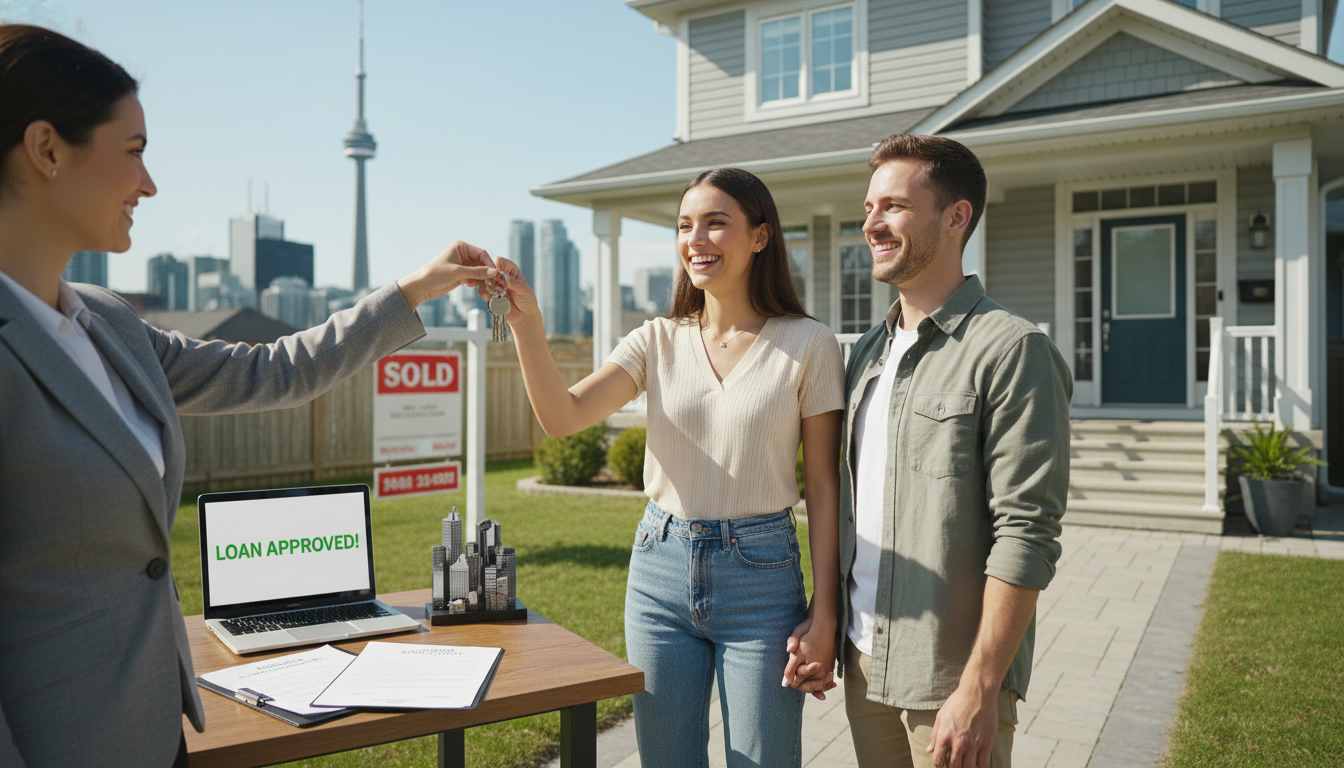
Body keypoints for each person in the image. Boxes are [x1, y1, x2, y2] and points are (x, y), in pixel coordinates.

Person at [0, 25, 499, 768]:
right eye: (134, 151)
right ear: (46, 150)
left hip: (154, 732)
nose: (150, 184)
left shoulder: (107, 323)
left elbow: (273, 369)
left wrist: (414, 290)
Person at [482, 167, 844, 767]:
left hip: (762, 580)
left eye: (715, 223)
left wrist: (825, 611)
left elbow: (826, 486)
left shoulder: (809, 344)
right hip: (659, 571)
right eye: (684, 225)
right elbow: (562, 416)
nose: (695, 238)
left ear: (760, 237)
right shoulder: (656, 340)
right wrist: (526, 323)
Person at [788, 134, 1071, 768]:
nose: (871, 224)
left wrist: (980, 687)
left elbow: (1027, 533)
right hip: (864, 665)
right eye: (868, 208)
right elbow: (843, 503)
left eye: (892, 206)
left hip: (951, 682)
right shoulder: (864, 352)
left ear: (955, 217)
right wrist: (826, 620)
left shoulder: (1011, 349)